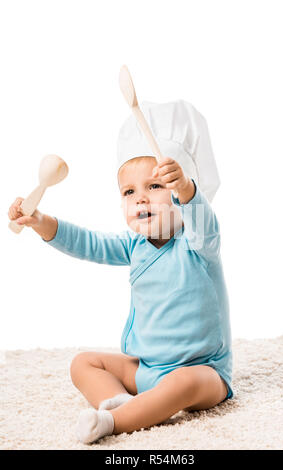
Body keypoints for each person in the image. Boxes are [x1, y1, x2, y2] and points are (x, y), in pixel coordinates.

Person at [8, 100, 233, 444]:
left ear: (180, 190)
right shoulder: (135, 246)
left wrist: (187, 189)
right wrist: (40, 222)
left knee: (183, 384)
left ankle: (114, 422)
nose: (141, 200)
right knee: (83, 363)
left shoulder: (198, 243)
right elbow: (88, 243)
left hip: (202, 374)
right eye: (130, 192)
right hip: (146, 368)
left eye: (155, 187)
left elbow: (203, 219)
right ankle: (123, 404)